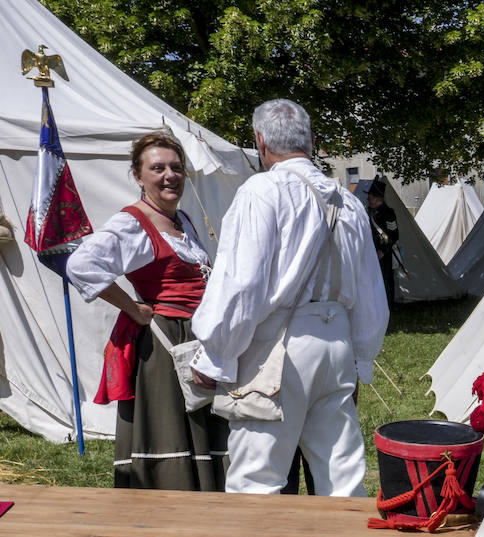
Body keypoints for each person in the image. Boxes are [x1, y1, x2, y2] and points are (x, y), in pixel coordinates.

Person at [188, 98, 388, 498]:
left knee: (256, 479)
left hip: (280, 348)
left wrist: (215, 354)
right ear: (311, 141)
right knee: (342, 477)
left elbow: (242, 285)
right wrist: (361, 355)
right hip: (337, 342)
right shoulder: (347, 201)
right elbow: (371, 292)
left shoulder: (262, 191)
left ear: (260, 142)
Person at [67, 131, 228, 490]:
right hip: (166, 342)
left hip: (196, 337)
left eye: (176, 167)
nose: (170, 175)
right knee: (169, 431)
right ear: (139, 177)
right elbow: (81, 266)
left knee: (203, 431)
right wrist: (131, 305)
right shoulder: (132, 222)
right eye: (157, 168)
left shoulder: (181, 218)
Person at [366, 177, 399, 309]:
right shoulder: (369, 212)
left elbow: (394, 235)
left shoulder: (388, 213)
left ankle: (387, 309)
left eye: (370, 196)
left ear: (376, 198)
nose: (368, 198)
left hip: (382, 254)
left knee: (385, 282)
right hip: (370, 252)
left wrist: (383, 251)